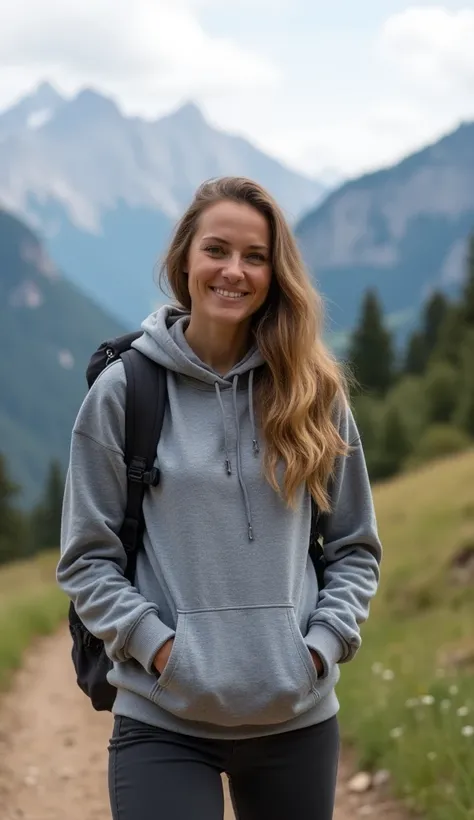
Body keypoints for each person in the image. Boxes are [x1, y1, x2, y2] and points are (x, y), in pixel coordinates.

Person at [57, 176, 382, 820]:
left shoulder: (314, 393)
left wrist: (318, 648)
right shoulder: (125, 391)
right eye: (216, 250)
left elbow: (354, 547)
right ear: (184, 261)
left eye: (254, 256)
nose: (233, 271)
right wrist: (160, 650)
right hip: (163, 717)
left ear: (273, 271)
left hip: (296, 719)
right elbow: (86, 561)